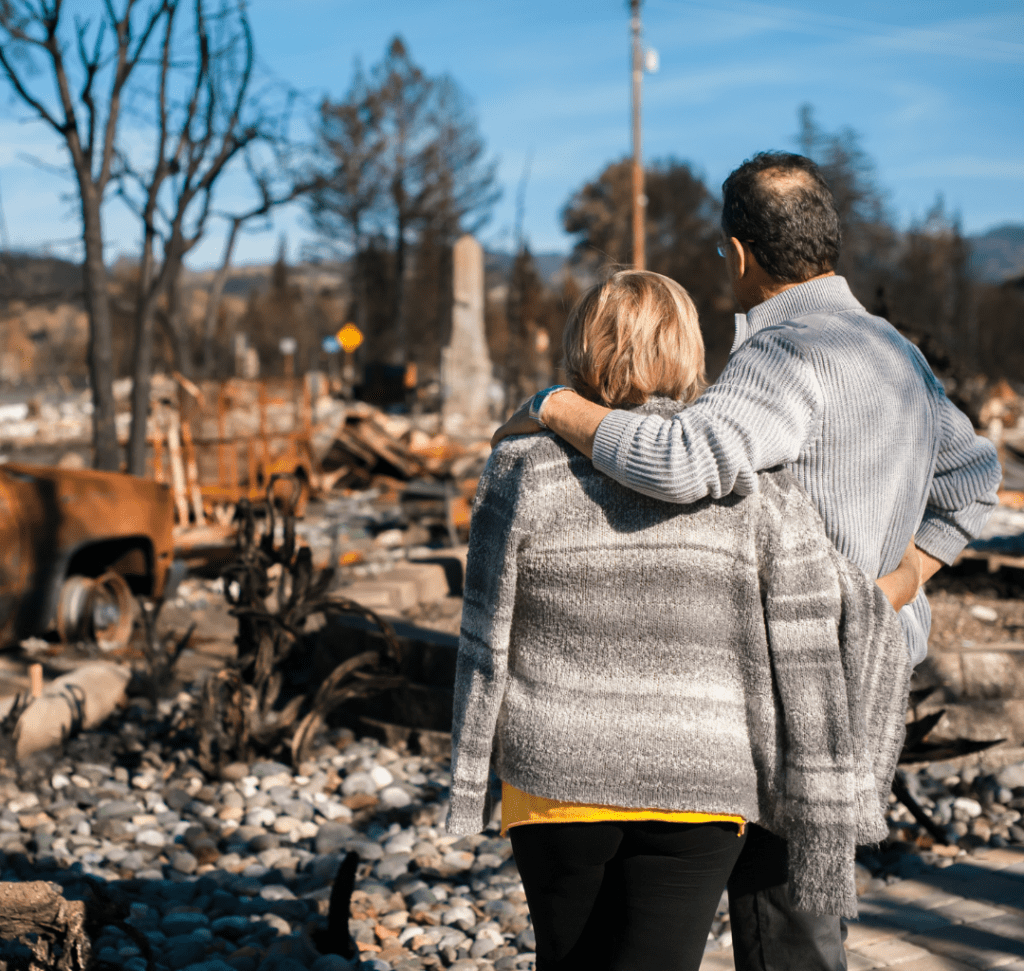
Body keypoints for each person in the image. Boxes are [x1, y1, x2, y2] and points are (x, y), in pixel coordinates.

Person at [492, 152, 1003, 971]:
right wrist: (903, 582)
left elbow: (681, 460)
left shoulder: (785, 355)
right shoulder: (893, 352)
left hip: (795, 681)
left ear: (737, 253)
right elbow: (976, 479)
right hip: (874, 670)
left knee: (782, 929)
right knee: (808, 917)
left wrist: (554, 406)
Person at [448, 270, 913, 971]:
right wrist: (906, 578)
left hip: (557, 775)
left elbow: (485, 634)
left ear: (581, 348)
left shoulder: (522, 465)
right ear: (691, 353)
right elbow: (818, 611)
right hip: (702, 781)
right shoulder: (748, 484)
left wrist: (467, 775)